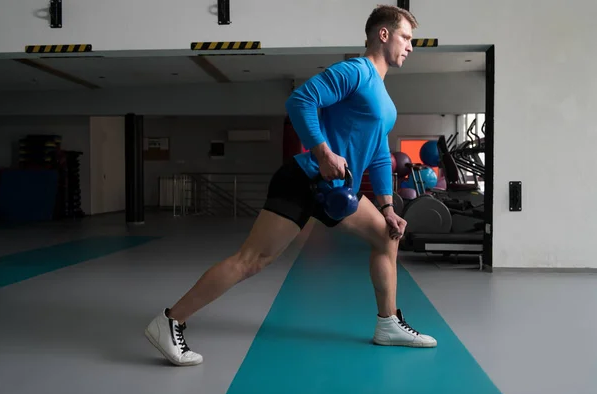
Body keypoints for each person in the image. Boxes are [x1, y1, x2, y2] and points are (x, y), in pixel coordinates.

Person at [144, 4, 437, 367]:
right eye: (406, 37)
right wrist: (323, 152)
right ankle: (170, 320)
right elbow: (301, 100)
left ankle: (388, 323)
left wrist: (388, 207)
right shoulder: (355, 72)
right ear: (383, 34)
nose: (410, 46)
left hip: (337, 192)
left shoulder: (386, 102)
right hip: (304, 179)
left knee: (386, 235)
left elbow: (378, 154)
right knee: (251, 261)